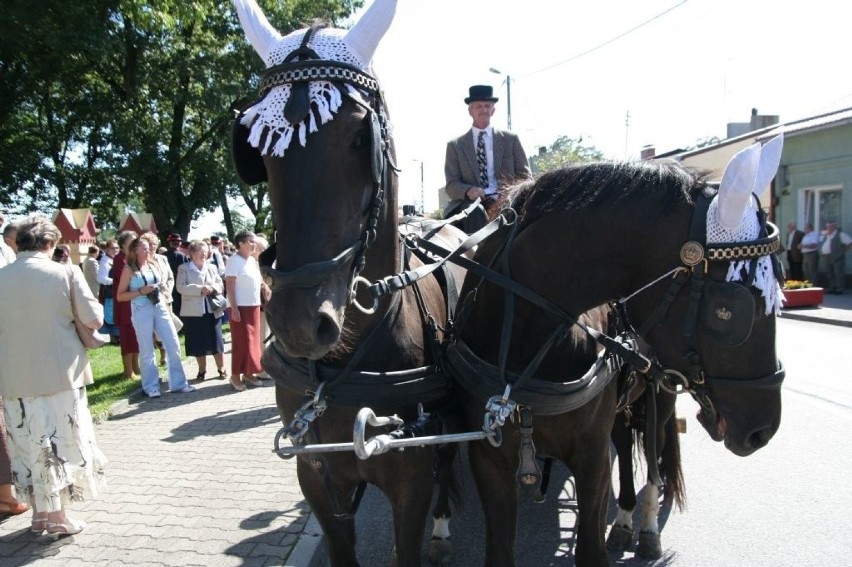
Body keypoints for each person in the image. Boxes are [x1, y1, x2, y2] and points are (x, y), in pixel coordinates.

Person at [0, 216, 107, 538]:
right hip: (60, 375)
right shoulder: (65, 272)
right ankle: (58, 517)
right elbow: (94, 318)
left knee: (29, 446)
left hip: (13, 377)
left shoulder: (1, 277)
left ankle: (40, 515)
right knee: (58, 447)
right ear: (49, 243)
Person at [443, 84, 532, 233]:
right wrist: (469, 190)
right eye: (478, 106)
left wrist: (509, 194)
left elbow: (525, 177)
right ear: (470, 111)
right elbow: (451, 186)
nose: (483, 110)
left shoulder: (511, 140)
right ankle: (481, 255)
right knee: (475, 212)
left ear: (493, 110)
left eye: (487, 106)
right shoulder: (455, 146)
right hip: (471, 204)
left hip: (506, 201)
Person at [116, 237, 195, 398]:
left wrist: (164, 290)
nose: (149, 250)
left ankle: (179, 383)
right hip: (141, 308)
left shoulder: (153, 264)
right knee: (146, 348)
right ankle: (151, 386)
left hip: (159, 305)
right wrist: (140, 291)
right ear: (135, 250)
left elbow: (163, 282)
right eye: (144, 248)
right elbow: (120, 296)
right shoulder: (129, 269)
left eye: (150, 247)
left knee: (173, 343)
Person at [224, 230, 270, 391]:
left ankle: (249, 374)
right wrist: (234, 308)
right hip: (240, 307)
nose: (254, 244)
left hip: (254, 305)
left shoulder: (251, 260)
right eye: (250, 241)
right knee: (242, 343)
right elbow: (229, 285)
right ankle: (235, 376)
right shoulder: (233, 261)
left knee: (253, 343)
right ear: (240, 244)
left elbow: (258, 279)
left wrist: (264, 286)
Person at [176, 240, 227, 381]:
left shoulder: (212, 267)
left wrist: (212, 288)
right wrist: (200, 289)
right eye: (200, 251)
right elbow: (180, 287)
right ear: (192, 253)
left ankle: (221, 368)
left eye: (205, 251)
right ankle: (202, 370)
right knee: (198, 342)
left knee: (216, 341)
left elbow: (220, 284)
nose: (204, 254)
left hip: (212, 309)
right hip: (193, 311)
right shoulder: (184, 268)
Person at [141, 232, 175, 367]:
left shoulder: (163, 259)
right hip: (150, 299)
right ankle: (157, 357)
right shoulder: (142, 261)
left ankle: (166, 355)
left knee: (168, 329)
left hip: (166, 298)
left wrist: (168, 291)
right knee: (154, 331)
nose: (153, 247)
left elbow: (170, 277)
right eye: (149, 244)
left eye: (155, 244)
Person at [111, 231, 141, 379]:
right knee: (127, 337)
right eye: (132, 240)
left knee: (136, 336)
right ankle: (128, 371)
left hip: (136, 302)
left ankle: (136, 367)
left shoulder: (133, 258)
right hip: (124, 305)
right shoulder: (119, 260)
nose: (135, 242)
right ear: (123, 244)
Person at [252, 234, 273, 380]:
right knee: (262, 336)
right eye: (263, 248)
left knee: (269, 336)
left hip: (268, 304)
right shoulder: (252, 263)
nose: (265, 251)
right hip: (259, 305)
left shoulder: (263, 263)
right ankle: (263, 369)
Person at [820, 220, 852, 294]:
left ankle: (839, 288)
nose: (828, 228)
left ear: (834, 227)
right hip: (826, 256)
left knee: (838, 273)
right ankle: (832, 287)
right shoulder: (827, 235)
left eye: (830, 227)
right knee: (830, 273)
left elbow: (850, 242)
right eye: (827, 227)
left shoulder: (840, 234)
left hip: (836, 256)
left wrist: (842, 252)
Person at [164, 233, 188, 319]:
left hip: (167, 284)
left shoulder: (163, 256)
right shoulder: (182, 255)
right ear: (179, 243)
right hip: (180, 283)